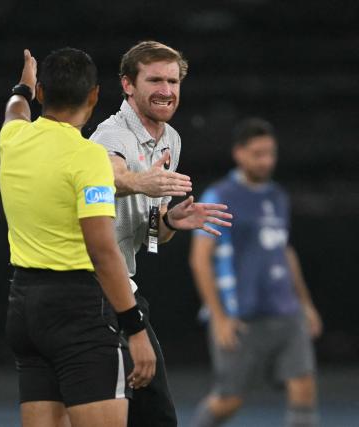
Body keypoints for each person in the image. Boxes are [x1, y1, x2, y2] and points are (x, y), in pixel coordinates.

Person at [0, 48, 155, 427]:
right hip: (78, 311)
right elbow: (102, 250)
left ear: (41, 95)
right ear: (94, 96)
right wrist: (134, 328)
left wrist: (23, 83)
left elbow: (14, 109)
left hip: (24, 306)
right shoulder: (89, 158)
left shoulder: (13, 138)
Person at [90, 40, 232, 427]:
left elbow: (152, 235)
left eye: (173, 80)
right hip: (91, 289)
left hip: (122, 282)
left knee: (145, 409)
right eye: (154, 80)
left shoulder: (171, 140)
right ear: (128, 85)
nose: (166, 90)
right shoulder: (110, 135)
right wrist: (141, 183)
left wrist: (169, 222)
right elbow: (110, 178)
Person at [189, 118, 322, 427]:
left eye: (270, 153)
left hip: (285, 312)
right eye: (258, 154)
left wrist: (305, 303)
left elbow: (285, 251)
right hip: (241, 316)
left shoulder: (277, 196)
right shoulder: (220, 196)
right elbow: (200, 259)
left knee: (304, 387)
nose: (266, 161)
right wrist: (219, 317)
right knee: (229, 401)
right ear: (239, 153)